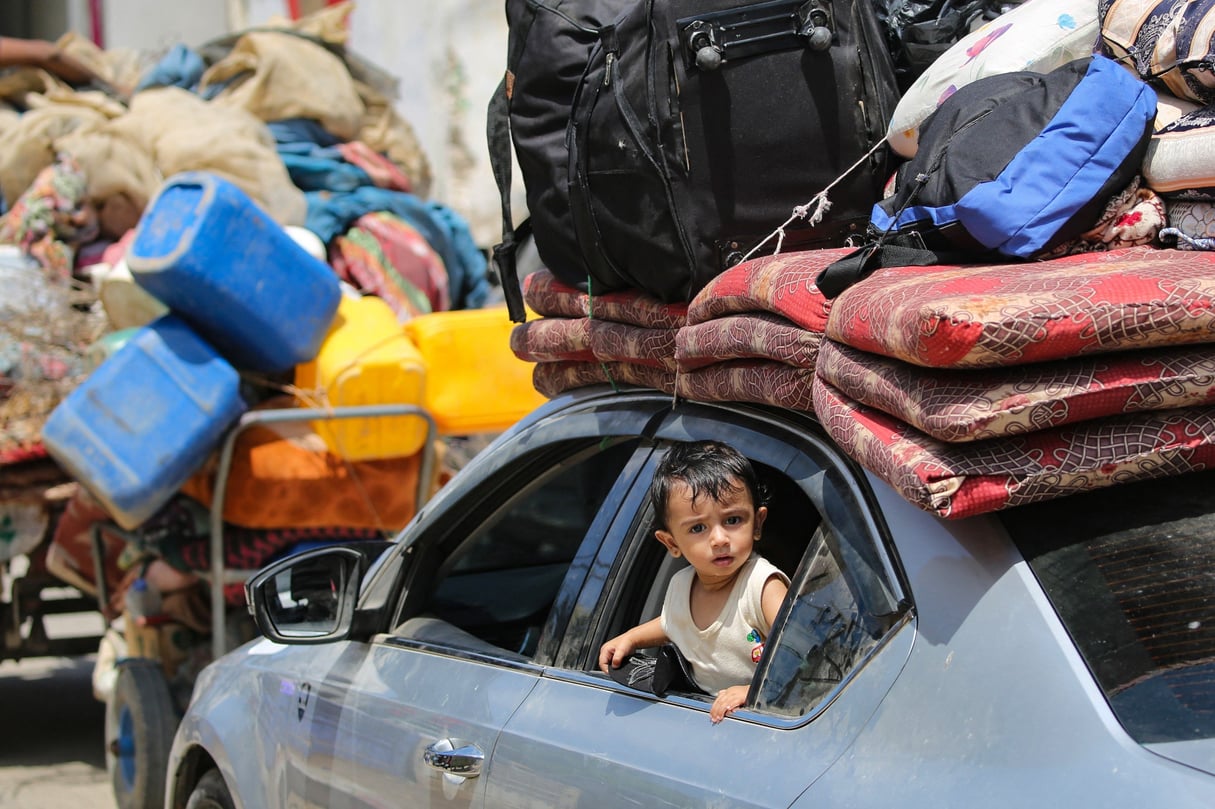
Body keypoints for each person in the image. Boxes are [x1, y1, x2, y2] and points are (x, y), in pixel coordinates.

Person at [598, 440, 790, 723]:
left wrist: (755, 691)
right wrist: (632, 638)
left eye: (733, 520)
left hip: (764, 718)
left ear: (758, 523)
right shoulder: (681, 585)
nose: (720, 539)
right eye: (698, 528)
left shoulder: (762, 587)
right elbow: (673, 623)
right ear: (671, 542)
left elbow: (803, 655)